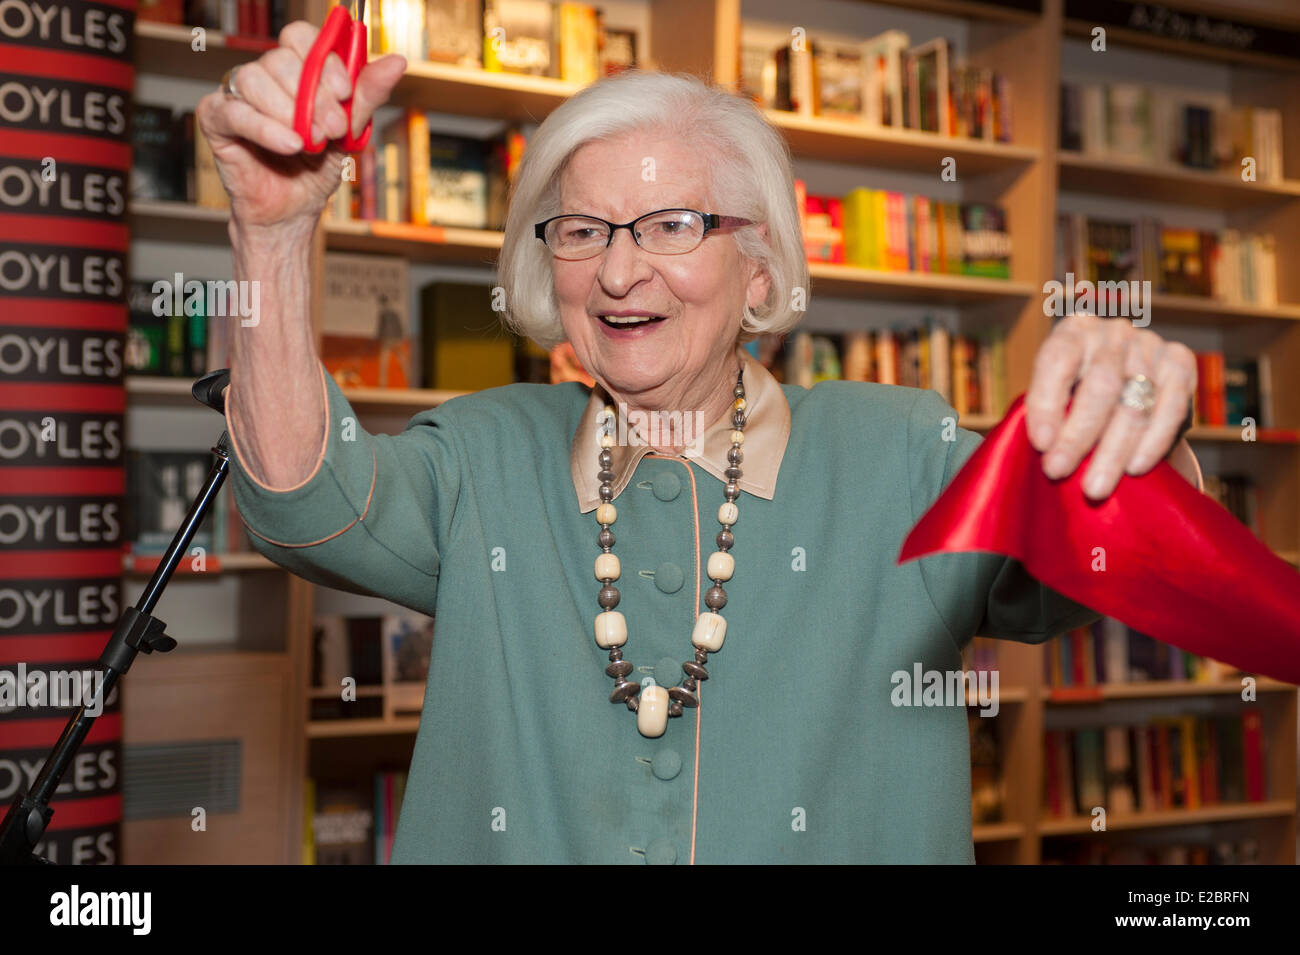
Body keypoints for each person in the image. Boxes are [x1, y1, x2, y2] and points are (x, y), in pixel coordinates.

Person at [196, 22, 1203, 863]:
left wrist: (1129, 419)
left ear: (760, 273)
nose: (620, 272)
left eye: (672, 225)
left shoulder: (895, 448)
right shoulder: (488, 450)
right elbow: (305, 507)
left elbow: (1108, 566)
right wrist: (272, 233)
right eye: (583, 231)